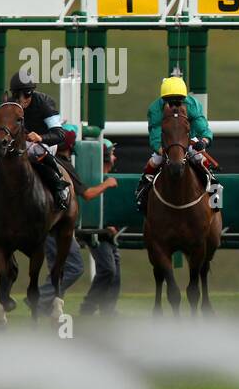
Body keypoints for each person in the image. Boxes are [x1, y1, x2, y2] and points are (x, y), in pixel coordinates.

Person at [0, 67, 73, 210]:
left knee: (36, 152)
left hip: (45, 143)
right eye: (18, 95)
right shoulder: (10, 105)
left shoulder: (45, 104)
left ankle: (59, 185)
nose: (22, 100)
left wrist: (40, 137)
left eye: (26, 95)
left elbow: (59, 134)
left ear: (31, 93)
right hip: (20, 143)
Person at [136, 72, 218, 214]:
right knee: (155, 160)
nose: (174, 104)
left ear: (184, 98)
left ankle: (215, 194)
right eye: (170, 100)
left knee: (200, 159)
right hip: (166, 143)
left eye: (178, 100)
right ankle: (142, 190)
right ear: (163, 99)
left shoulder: (192, 104)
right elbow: (155, 131)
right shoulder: (155, 108)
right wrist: (161, 149)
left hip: (188, 140)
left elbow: (202, 125)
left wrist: (204, 140)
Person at [79, 139, 122, 316]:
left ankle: (107, 308)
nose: (114, 157)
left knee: (114, 268)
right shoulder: (94, 179)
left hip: (106, 232)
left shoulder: (104, 178)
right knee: (108, 269)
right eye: (111, 153)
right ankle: (88, 306)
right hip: (96, 231)